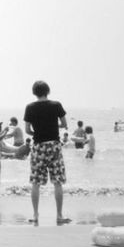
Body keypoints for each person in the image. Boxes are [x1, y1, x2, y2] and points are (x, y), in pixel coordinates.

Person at [23, 80, 70, 226]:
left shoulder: (30, 107)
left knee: (36, 183)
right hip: (54, 146)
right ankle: (59, 215)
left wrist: (37, 130)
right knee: (57, 182)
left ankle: (36, 215)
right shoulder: (56, 105)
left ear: (34, 92)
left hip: (38, 147)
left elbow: (27, 130)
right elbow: (64, 124)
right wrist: (53, 125)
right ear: (47, 91)